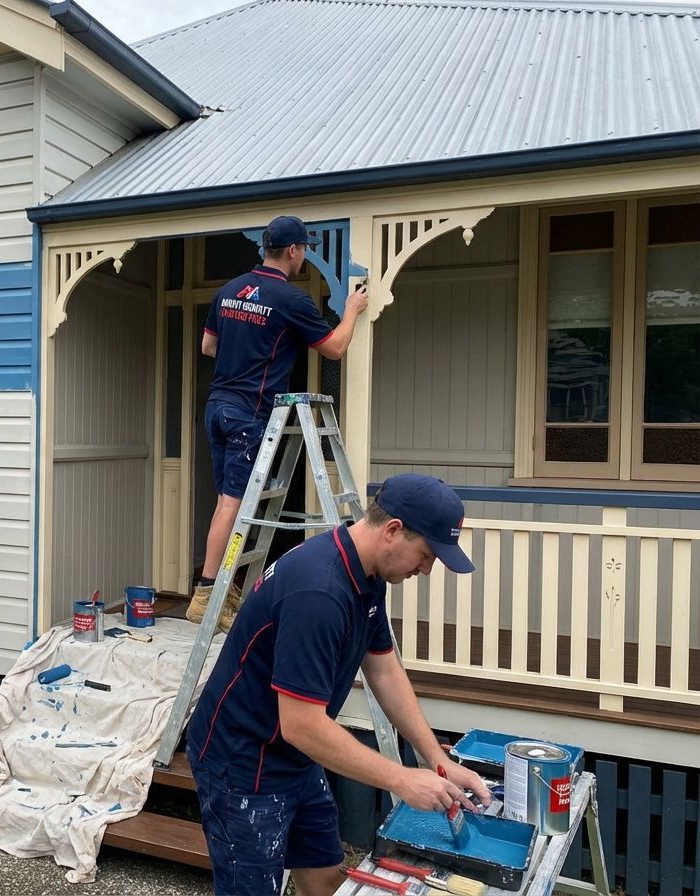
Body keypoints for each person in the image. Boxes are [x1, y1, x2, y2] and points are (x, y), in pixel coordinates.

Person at [186, 473, 491, 896]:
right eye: (426, 555)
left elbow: (384, 669)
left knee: (326, 879)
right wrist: (401, 779)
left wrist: (437, 759)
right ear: (393, 530)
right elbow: (301, 724)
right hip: (244, 762)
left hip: (295, 753)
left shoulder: (367, 575)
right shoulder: (319, 590)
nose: (426, 569)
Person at [189, 215, 369, 632]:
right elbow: (335, 349)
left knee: (227, 502)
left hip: (217, 406)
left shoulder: (231, 289)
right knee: (232, 505)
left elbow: (208, 345)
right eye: (304, 249)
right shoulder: (290, 299)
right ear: (292, 251)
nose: (304, 255)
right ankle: (205, 594)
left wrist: (243, 350)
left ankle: (221, 591)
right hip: (250, 413)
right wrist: (352, 310)